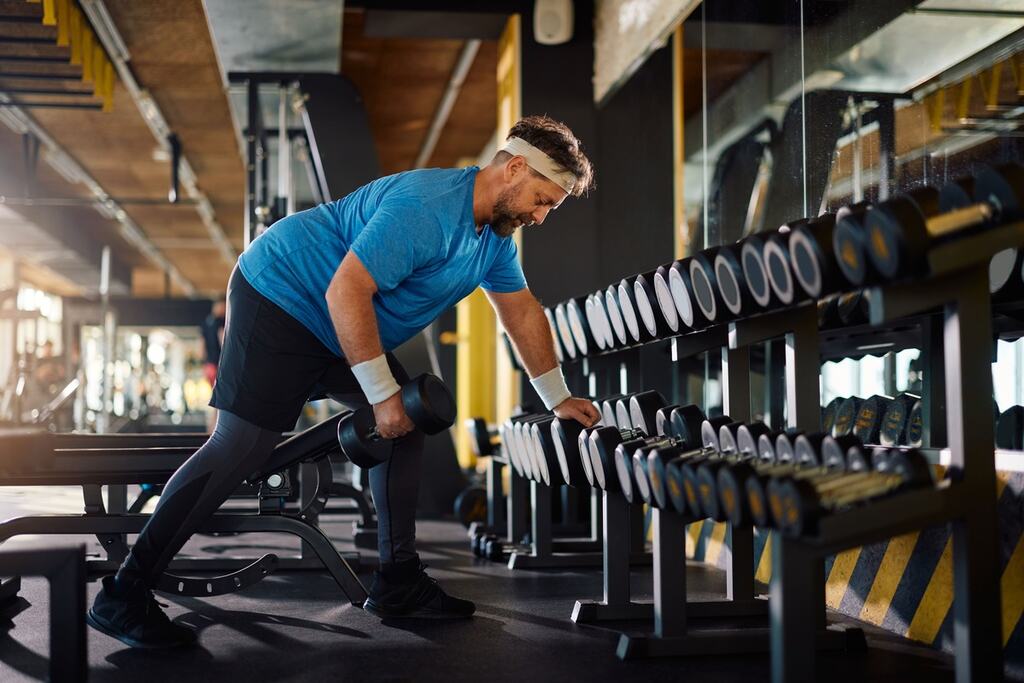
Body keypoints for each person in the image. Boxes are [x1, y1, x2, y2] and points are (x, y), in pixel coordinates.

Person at [86, 115, 602, 648]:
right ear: (515, 168)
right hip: (283, 295)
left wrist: (557, 398)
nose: (541, 216)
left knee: (409, 422)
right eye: (541, 199)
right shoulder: (428, 208)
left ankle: (398, 580)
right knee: (242, 446)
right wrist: (380, 396)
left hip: (341, 326)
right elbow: (345, 291)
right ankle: (124, 594)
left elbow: (522, 313)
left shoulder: (492, 242)